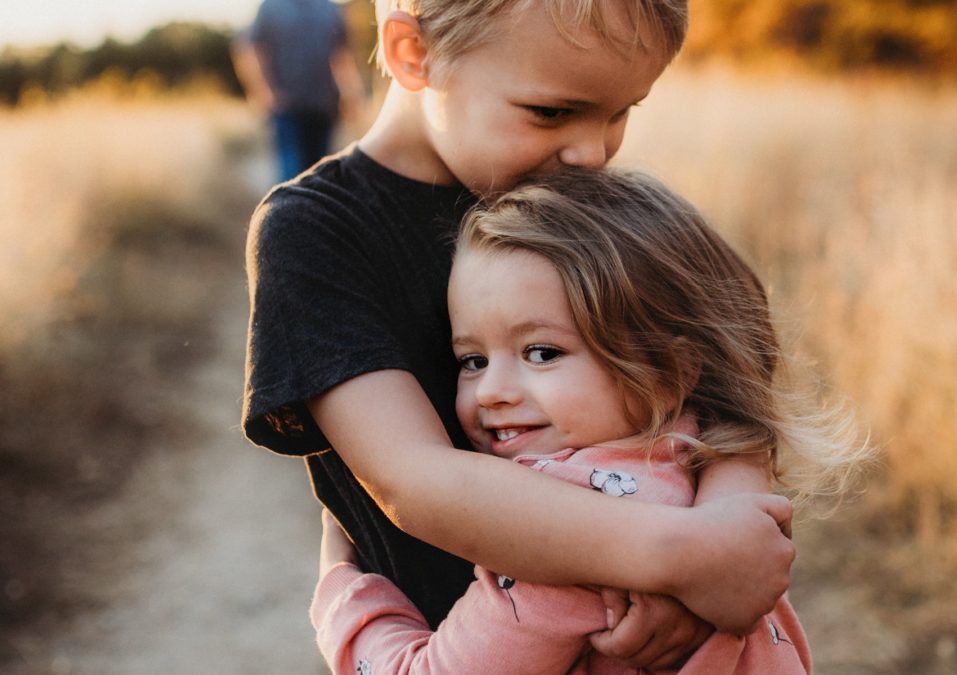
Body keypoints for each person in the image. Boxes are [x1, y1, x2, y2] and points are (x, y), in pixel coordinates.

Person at [243, 1, 796, 667]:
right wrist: (682, 556)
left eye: (621, 112)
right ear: (414, 53)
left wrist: (716, 541)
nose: (592, 153)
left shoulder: (574, 199)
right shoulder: (318, 233)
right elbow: (416, 480)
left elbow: (732, 374)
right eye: (552, 112)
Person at [311, 168, 869, 674]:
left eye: (542, 353)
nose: (494, 392)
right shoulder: (702, 461)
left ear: (670, 369)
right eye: (473, 361)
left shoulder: (561, 535)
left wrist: (343, 590)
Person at [232, 0, 365, 181]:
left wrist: (351, 96)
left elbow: (342, 56)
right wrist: (263, 93)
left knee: (320, 176)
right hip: (287, 109)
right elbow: (249, 49)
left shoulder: (329, 9)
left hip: (324, 107)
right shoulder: (271, 7)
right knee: (292, 176)